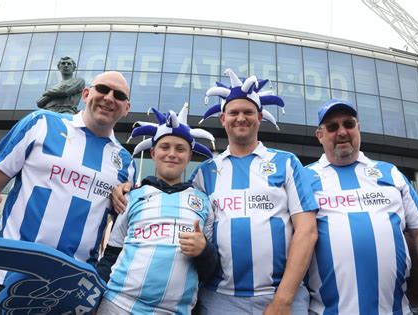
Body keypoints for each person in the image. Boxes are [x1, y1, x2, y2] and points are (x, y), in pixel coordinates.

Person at [112, 69, 319, 314]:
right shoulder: (206, 171)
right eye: (234, 112)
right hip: (220, 299)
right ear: (223, 119)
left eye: (248, 112)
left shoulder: (286, 162)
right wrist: (130, 188)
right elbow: (172, 199)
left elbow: (307, 230)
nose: (240, 118)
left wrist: (283, 300)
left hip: (281, 297)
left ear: (260, 117)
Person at [0, 71, 136, 314]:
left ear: (126, 107)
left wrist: (128, 195)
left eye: (119, 95)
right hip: (2, 278)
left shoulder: (126, 163)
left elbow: (121, 227)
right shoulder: (41, 123)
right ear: (86, 94)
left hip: (67, 294)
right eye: (102, 89)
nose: (109, 98)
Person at [304, 99, 418, 314]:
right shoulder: (304, 178)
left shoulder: (390, 173)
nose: (342, 132)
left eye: (349, 124)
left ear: (359, 129)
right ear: (320, 135)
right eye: (333, 127)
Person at [96, 104, 218, 314]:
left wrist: (205, 251)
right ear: (153, 153)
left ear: (189, 157)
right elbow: (111, 256)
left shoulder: (203, 202)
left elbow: (209, 271)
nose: (172, 154)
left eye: (180, 149)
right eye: (165, 147)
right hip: (118, 304)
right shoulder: (132, 196)